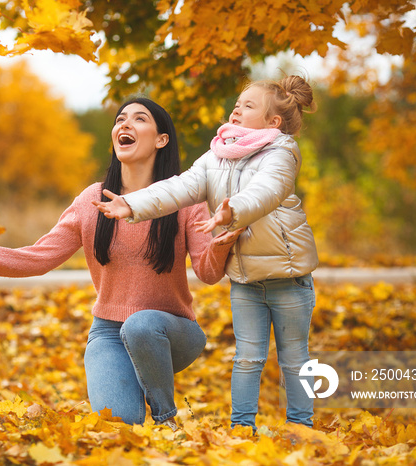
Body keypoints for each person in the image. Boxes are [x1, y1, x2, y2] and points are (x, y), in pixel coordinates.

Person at [0, 97, 240, 430]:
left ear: (161, 139)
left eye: (139, 120)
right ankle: (137, 393)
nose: (125, 124)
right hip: (109, 334)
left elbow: (208, 274)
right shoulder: (91, 201)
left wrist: (222, 245)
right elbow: (36, 259)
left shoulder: (183, 201)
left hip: (171, 333)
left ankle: (167, 418)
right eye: (120, 119)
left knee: (140, 325)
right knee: (118, 425)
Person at [93, 76, 319, 431]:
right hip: (245, 280)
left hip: (289, 278)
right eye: (237, 103)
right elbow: (180, 187)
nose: (237, 109)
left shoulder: (282, 153)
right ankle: (242, 428)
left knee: (294, 359)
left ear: (273, 122)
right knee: (247, 358)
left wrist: (233, 210)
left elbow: (267, 191)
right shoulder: (218, 155)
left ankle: (301, 428)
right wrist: (132, 204)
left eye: (248, 106)